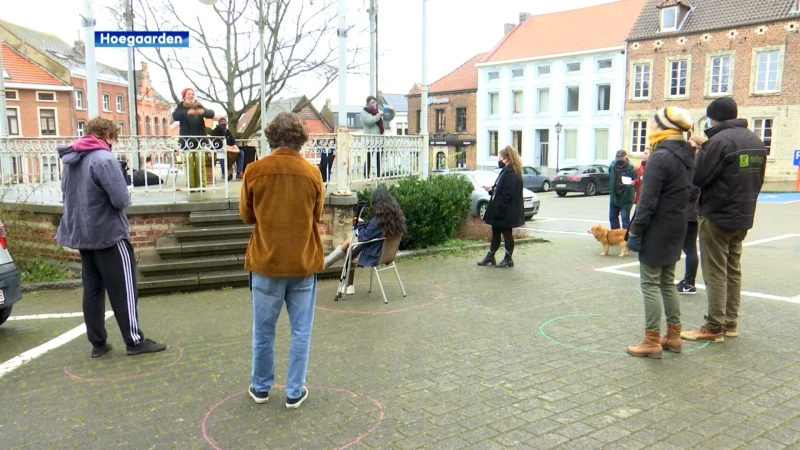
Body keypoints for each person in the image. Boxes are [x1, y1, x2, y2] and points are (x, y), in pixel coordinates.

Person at [55, 117, 167, 358]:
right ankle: (134, 340)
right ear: (107, 134)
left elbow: (66, 196)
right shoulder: (104, 159)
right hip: (108, 234)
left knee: (92, 290)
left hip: (83, 235)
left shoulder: (71, 160)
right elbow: (120, 200)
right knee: (124, 289)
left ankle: (98, 343)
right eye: (114, 137)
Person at [239, 112, 324, 409]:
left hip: (265, 262)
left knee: (263, 331)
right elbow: (317, 215)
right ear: (300, 138)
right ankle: (294, 391)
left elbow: (247, 215)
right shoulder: (312, 173)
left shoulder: (254, 170)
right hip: (302, 262)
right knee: (301, 331)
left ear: (271, 136)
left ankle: (261, 388)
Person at [681, 97, 767, 343]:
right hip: (743, 214)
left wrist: (694, 152)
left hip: (717, 214)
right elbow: (759, 179)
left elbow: (698, 176)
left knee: (715, 270)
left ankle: (713, 326)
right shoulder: (755, 140)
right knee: (733, 269)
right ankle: (730, 323)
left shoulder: (719, 142)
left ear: (714, 117)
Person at [625, 107, 695, 359]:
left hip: (657, 228)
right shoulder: (687, 155)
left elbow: (647, 201)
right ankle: (674, 336)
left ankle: (651, 340)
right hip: (677, 225)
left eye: (653, 123)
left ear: (664, 128)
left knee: (650, 283)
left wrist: (635, 231)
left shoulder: (660, 156)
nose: (650, 127)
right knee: (667, 282)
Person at [323, 187, 407, 294]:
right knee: (349, 242)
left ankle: (339, 275)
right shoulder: (399, 218)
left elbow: (364, 238)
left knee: (349, 247)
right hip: (387, 254)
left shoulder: (378, 220)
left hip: (374, 255)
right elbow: (373, 234)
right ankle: (333, 269)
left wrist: (360, 223)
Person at [477, 145, 524, 269]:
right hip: (501, 209)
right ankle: (491, 255)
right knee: (496, 232)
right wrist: (492, 189)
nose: (499, 161)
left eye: (500, 158)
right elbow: (502, 189)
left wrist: (499, 209)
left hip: (506, 211)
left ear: (507, 159)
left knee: (507, 233)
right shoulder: (507, 171)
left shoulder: (512, 173)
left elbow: (508, 194)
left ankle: (508, 258)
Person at [677, 134, 707, 295]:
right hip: (691, 211)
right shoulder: (696, 163)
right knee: (689, 247)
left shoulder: (697, 164)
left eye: (691, 145)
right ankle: (688, 281)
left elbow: (692, 189)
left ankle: (689, 283)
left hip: (690, 212)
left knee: (689, 248)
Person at [172, 88, 215, 189]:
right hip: (187, 141)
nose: (191, 96)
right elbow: (175, 116)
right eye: (189, 94)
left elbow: (211, 113)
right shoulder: (181, 107)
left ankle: (202, 186)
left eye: (192, 94)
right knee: (190, 165)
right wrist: (187, 112)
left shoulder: (198, 105)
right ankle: (192, 187)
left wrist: (202, 112)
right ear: (184, 97)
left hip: (199, 140)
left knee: (200, 164)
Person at [360, 95, 395, 178]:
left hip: (379, 138)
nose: (373, 104)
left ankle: (379, 174)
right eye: (372, 102)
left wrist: (392, 111)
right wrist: (378, 115)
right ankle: (366, 174)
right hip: (370, 139)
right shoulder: (364, 113)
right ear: (368, 103)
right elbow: (368, 121)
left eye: (374, 102)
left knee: (379, 157)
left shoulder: (376, 111)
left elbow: (388, 117)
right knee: (369, 156)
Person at [609, 150, 637, 229]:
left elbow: (636, 181)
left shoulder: (631, 168)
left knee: (625, 220)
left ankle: (625, 238)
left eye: (621, 158)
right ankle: (615, 237)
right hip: (614, 198)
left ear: (626, 157)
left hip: (626, 198)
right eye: (617, 158)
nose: (619, 160)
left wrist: (633, 183)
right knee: (612, 218)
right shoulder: (613, 166)